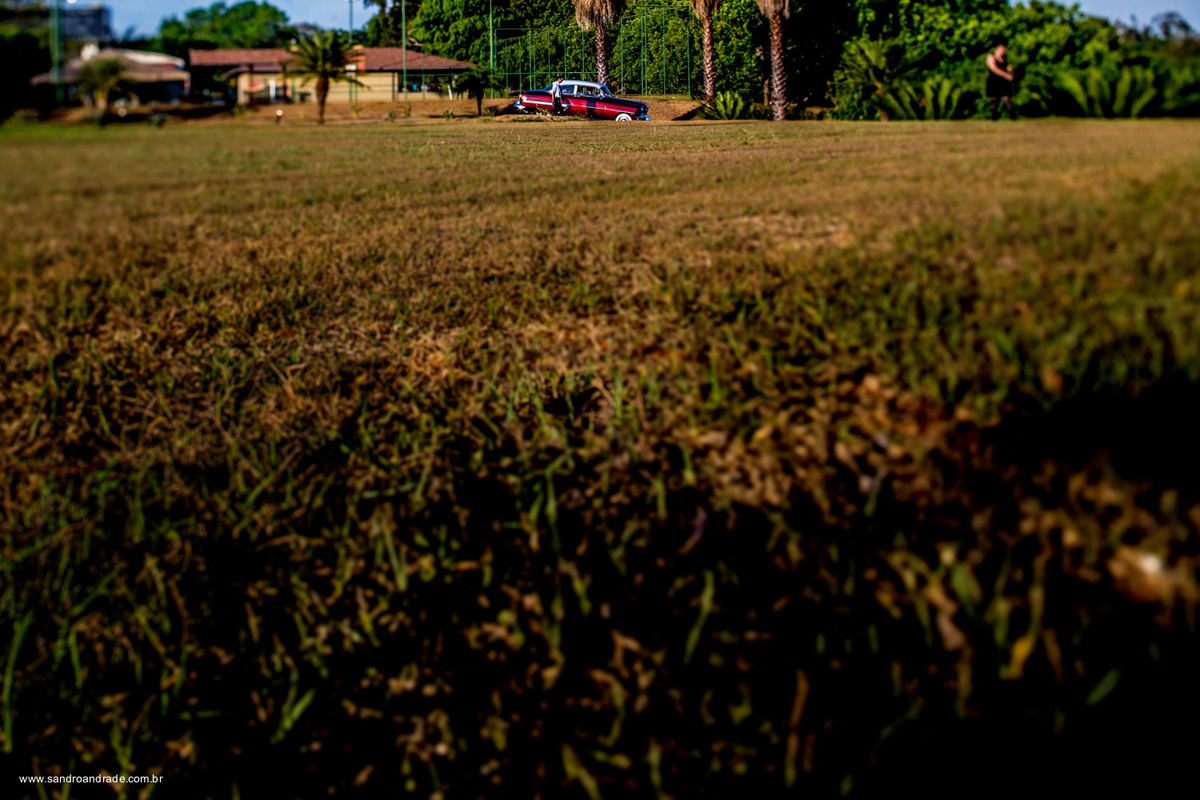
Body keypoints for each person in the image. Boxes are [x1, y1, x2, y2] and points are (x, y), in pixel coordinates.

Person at [986, 44, 1016, 120]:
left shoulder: (1004, 58)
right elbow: (994, 69)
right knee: (995, 99)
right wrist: (1006, 75)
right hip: (995, 81)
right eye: (1001, 50)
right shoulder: (991, 57)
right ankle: (994, 115)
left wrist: (1009, 69)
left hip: (1003, 82)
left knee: (1007, 98)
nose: (1002, 52)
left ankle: (1012, 115)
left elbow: (1005, 68)